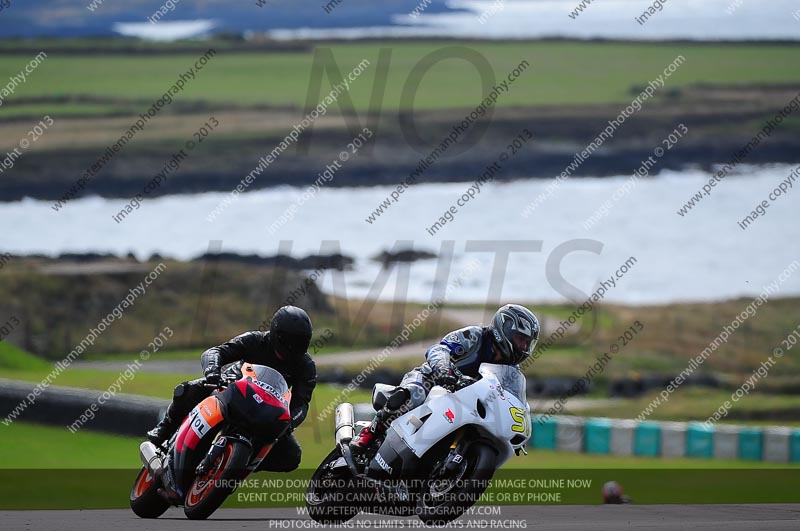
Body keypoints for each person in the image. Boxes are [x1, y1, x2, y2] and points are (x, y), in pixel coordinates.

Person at [146, 305, 317, 473]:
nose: (291, 349)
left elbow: (301, 404)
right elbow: (215, 352)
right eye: (288, 342)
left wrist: (289, 423)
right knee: (189, 389)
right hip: (232, 388)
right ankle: (163, 430)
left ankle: (239, 465)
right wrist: (213, 372)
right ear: (275, 333)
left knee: (292, 456)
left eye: (298, 344)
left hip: (267, 411)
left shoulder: (306, 366)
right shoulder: (255, 340)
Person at [351, 303, 539, 453]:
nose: (523, 346)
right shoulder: (474, 336)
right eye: (520, 339)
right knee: (410, 395)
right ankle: (370, 433)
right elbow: (438, 349)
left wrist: (513, 427)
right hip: (432, 381)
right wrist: (444, 370)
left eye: (527, 343)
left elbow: (508, 399)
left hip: (463, 401)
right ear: (504, 329)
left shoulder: (510, 370)